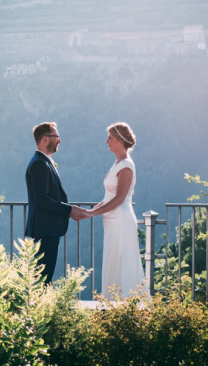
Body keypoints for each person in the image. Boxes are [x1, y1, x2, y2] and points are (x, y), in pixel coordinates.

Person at [82, 122, 148, 298]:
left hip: (121, 220)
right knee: (114, 261)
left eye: (110, 138)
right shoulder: (118, 163)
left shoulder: (126, 165)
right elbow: (109, 197)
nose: (107, 141)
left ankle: (127, 304)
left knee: (122, 262)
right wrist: (89, 211)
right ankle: (113, 303)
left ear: (120, 140)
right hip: (112, 220)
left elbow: (120, 198)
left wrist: (93, 213)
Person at [25, 122, 86, 284]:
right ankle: (41, 307)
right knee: (42, 277)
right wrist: (69, 210)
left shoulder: (44, 161)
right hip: (44, 230)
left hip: (46, 229)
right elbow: (42, 200)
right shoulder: (39, 163)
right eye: (56, 137)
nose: (59, 140)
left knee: (44, 275)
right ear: (45, 139)